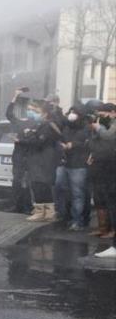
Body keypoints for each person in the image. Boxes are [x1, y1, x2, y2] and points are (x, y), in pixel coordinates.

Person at [17, 100, 62, 222]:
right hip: (38, 159)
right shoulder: (40, 125)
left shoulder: (47, 125)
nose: (32, 113)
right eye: (31, 110)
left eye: (35, 111)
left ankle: (43, 211)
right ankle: (46, 211)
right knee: (40, 185)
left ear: (45, 113)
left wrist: (22, 140)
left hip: (43, 159)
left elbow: (39, 141)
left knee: (40, 185)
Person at [54, 105, 91, 230]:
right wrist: (61, 145)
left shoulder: (86, 127)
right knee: (60, 187)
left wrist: (73, 145)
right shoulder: (66, 125)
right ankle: (64, 215)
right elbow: (60, 137)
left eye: (74, 112)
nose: (71, 114)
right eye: (70, 111)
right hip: (64, 162)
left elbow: (87, 142)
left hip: (78, 164)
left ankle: (78, 220)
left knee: (77, 193)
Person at [5, 89, 37, 213]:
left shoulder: (35, 123)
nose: (27, 110)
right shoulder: (18, 122)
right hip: (18, 157)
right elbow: (9, 114)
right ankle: (16, 205)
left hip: (29, 157)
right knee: (17, 181)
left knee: (27, 183)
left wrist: (20, 140)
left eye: (30, 108)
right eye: (26, 108)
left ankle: (28, 206)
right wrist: (15, 96)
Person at [89, 103, 116, 245]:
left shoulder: (113, 124)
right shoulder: (106, 122)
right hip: (101, 162)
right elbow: (95, 141)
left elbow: (109, 136)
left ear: (112, 112)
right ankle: (103, 228)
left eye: (103, 113)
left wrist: (98, 128)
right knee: (101, 196)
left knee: (111, 198)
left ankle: (112, 230)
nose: (101, 116)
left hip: (111, 164)